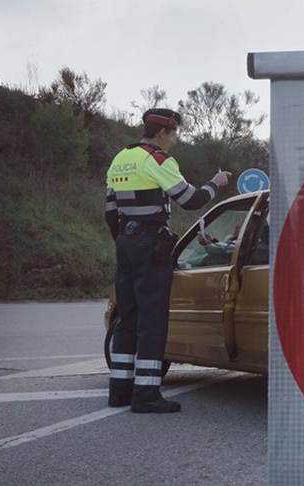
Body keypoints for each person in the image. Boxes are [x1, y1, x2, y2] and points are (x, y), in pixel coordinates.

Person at [104, 108, 232, 413]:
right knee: (152, 319)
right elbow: (191, 199)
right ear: (163, 132)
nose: (174, 140)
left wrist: (126, 241)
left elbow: (110, 210)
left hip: (124, 242)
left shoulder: (121, 158)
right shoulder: (158, 160)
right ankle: (146, 394)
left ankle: (119, 389)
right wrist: (215, 183)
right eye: (174, 134)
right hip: (149, 244)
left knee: (128, 317)